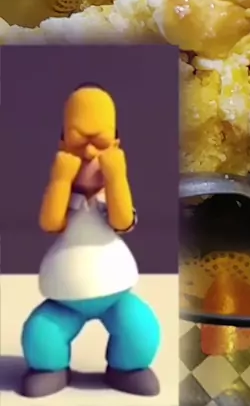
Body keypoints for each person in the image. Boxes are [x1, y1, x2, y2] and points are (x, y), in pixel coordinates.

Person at [21, 85, 160, 398]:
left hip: (114, 294)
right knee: (41, 333)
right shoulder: (64, 195)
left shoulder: (110, 195)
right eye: (77, 143)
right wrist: (60, 179)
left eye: (100, 144)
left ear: (116, 145)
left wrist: (117, 178)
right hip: (64, 297)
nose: (88, 154)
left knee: (139, 327)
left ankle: (128, 368)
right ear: (62, 145)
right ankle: (50, 368)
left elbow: (122, 221)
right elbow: (50, 222)